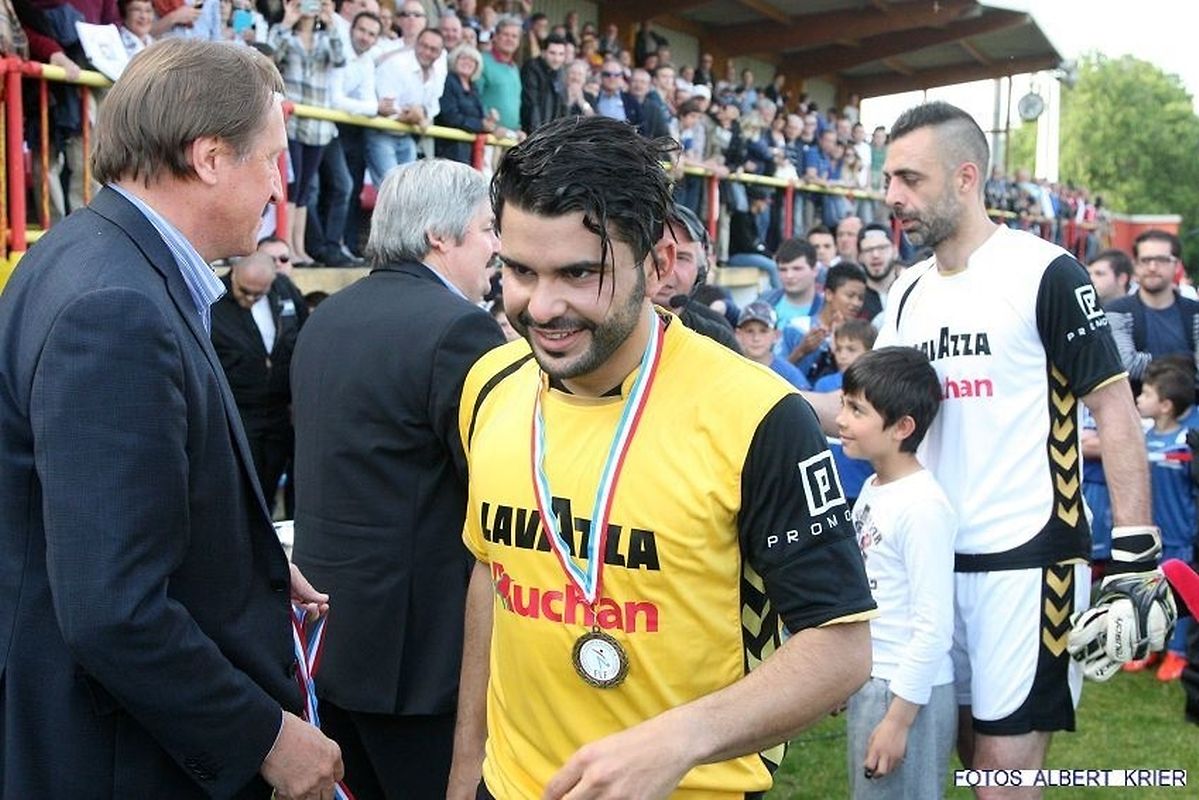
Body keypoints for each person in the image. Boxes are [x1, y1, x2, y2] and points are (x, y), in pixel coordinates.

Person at [446, 114, 875, 800]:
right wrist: (467, 769)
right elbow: (492, 575)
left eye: (579, 273)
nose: (542, 306)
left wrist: (682, 739)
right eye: (520, 271)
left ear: (658, 263)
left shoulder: (757, 414)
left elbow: (841, 649)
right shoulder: (490, 385)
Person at [0, 39, 343, 798]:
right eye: (270, 159)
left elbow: (101, 513)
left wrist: (240, 563)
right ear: (210, 158)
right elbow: (112, 608)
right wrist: (262, 737)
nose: (277, 186)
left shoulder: (85, 254)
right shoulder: (114, 305)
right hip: (117, 756)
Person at [876, 101, 1172, 792]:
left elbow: (1114, 409)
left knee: (1000, 776)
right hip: (930, 562)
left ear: (966, 178)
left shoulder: (1044, 271)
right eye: (888, 179)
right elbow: (867, 408)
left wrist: (1136, 556)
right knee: (958, 754)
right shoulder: (907, 289)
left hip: (1028, 560)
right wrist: (756, 393)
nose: (892, 196)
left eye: (910, 179)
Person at [290, 159, 505, 799]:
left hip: (334, 639)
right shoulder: (460, 328)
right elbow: (501, 483)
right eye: (486, 228)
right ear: (440, 235)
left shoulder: (327, 317)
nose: (497, 246)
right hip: (421, 659)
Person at [838, 346, 956, 799]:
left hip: (904, 693)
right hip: (874, 683)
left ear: (902, 427)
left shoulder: (922, 507)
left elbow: (933, 628)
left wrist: (898, 721)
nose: (841, 420)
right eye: (844, 405)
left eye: (857, 410)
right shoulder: (874, 487)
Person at [210, 252, 308, 517]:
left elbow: (304, 332)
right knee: (242, 490)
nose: (250, 299)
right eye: (244, 291)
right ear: (234, 275)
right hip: (238, 411)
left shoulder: (284, 292)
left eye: (258, 294)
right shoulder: (214, 299)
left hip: (280, 410)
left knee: (278, 481)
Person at [1131, 363, 1196, 681]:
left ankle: (1177, 652)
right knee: (1149, 586)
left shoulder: (1186, 440)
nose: (1138, 399)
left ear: (1166, 405)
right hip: (1150, 530)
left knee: (1179, 591)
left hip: (1180, 533)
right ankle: (1150, 646)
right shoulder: (1143, 435)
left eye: (1145, 394)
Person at [1105, 230, 1199, 385]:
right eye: (1145, 260)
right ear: (1135, 265)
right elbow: (1127, 365)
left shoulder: (1195, 312)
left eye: (1161, 260)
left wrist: (1146, 360)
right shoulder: (1116, 311)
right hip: (1136, 399)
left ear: (1177, 265)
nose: (1152, 267)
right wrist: (1188, 360)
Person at [655, 202, 740, 352]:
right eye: (657, 255)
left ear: (701, 270)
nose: (668, 269)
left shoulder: (717, 337)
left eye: (681, 258)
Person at [435, 42, 496, 163]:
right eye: (463, 58)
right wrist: (480, 125)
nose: (467, 62)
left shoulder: (474, 87)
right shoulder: (448, 81)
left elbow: (479, 117)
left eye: (472, 60)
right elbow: (450, 116)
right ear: (455, 60)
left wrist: (489, 121)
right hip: (449, 149)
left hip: (469, 150)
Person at [733, 300, 810, 389]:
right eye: (749, 331)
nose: (756, 338)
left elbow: (805, 395)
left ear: (776, 335)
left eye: (763, 331)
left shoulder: (788, 375)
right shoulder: (731, 368)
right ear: (738, 335)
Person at [857, 223, 897, 323]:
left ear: (895, 251)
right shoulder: (856, 299)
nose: (875, 255)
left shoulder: (910, 290)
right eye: (868, 250)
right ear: (859, 256)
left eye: (882, 248)